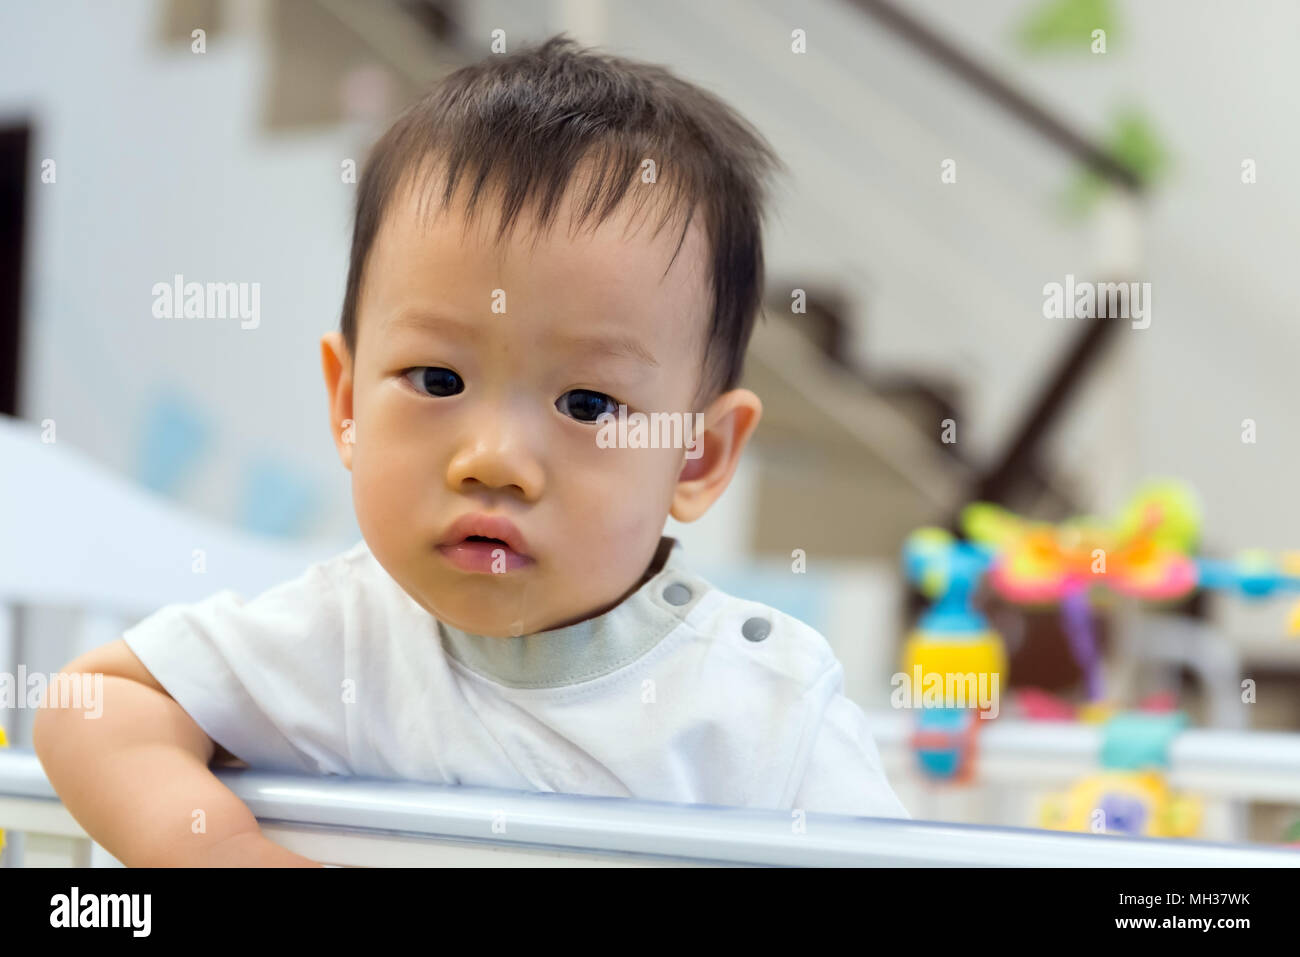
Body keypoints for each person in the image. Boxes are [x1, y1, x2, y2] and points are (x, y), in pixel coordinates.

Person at [35, 35, 907, 867]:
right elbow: (93, 706)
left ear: (697, 456)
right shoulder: (340, 638)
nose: (492, 459)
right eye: (438, 380)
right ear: (347, 403)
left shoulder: (763, 707)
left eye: (587, 402)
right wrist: (222, 849)